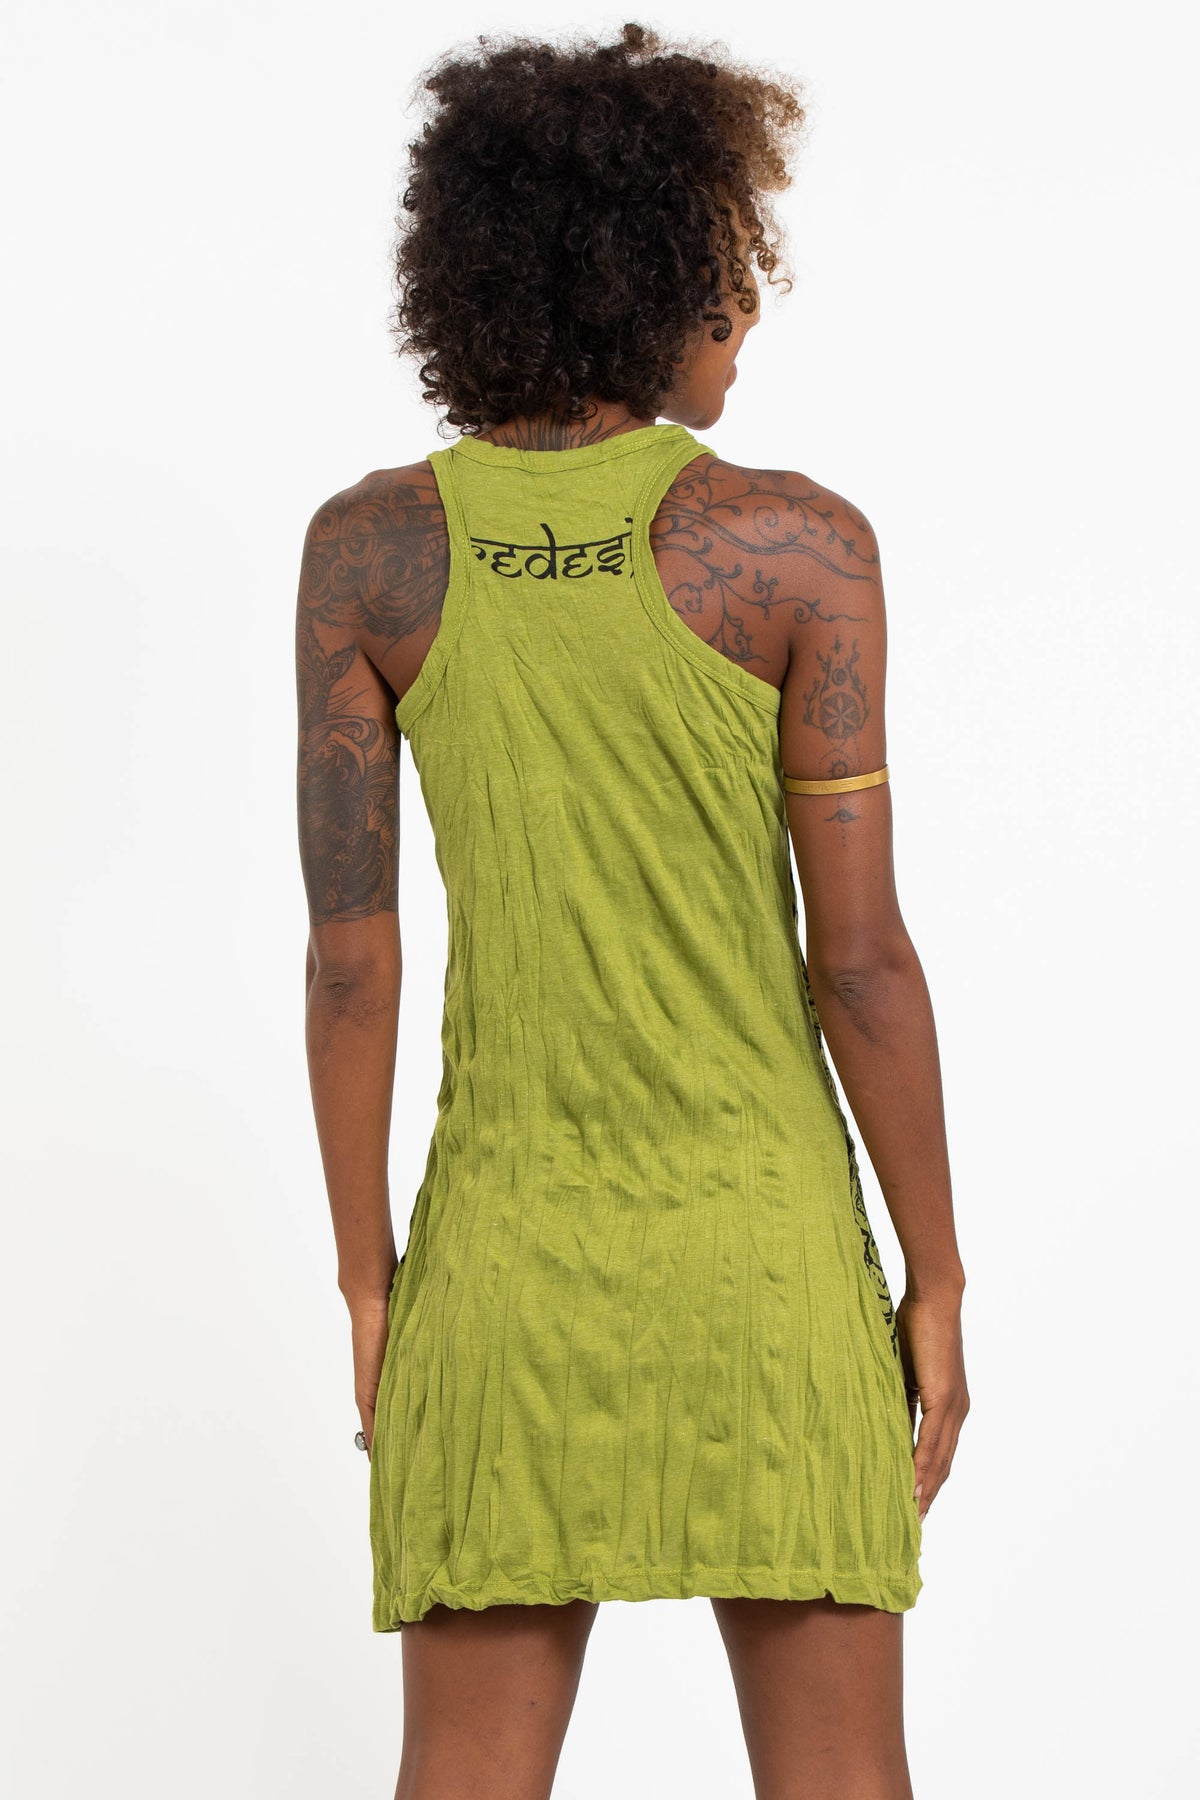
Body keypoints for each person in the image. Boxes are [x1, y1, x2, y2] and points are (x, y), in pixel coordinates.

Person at [296, 20, 969, 1800]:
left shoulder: (369, 554)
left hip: (504, 1261)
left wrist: (368, 1279)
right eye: (728, 267)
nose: (746, 310)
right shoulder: (800, 547)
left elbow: (352, 963)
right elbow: (862, 965)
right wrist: (940, 1276)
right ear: (648, 273)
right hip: (763, 1258)